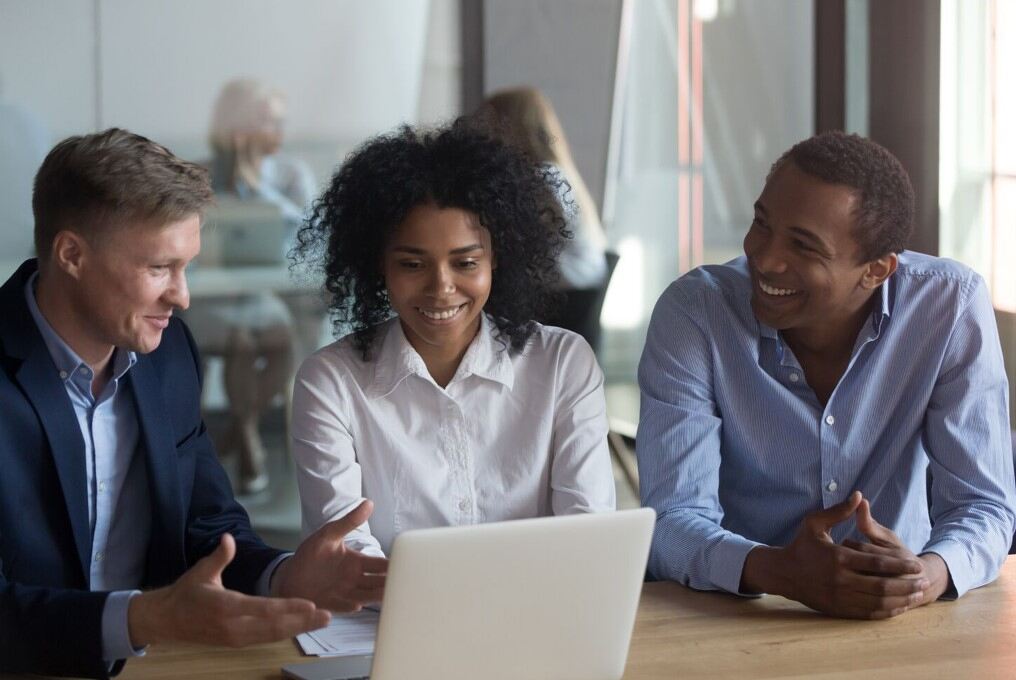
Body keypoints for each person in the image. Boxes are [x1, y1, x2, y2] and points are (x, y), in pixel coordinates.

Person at [0, 128, 386, 678]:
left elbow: (208, 525)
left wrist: (282, 577)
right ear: (71, 255)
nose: (182, 296)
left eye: (186, 267)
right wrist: (142, 618)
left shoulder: (168, 353)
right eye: (159, 268)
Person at [636, 131, 1015, 619]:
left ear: (876, 271)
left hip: (901, 623)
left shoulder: (949, 307)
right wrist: (779, 572)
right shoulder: (696, 313)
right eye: (762, 224)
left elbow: (984, 507)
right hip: (737, 619)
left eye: (803, 246)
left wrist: (925, 576)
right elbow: (670, 522)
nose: (765, 257)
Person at [289, 119, 616, 557]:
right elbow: (343, 547)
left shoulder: (562, 364)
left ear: (496, 258)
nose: (441, 287)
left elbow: (588, 532)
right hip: (386, 621)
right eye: (412, 264)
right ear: (378, 266)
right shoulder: (330, 382)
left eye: (465, 263)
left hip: (536, 614)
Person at [184, 79, 318, 493]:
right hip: (210, 297)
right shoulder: (198, 173)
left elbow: (311, 232)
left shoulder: (292, 174)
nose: (277, 130)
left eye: (280, 121)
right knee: (241, 342)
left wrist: (255, 188)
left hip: (259, 294)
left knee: (282, 340)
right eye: (266, 121)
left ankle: (238, 431)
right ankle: (248, 443)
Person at [479, 87, 609, 291]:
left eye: (488, 123)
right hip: (579, 283)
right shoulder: (555, 171)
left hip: (571, 290)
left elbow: (530, 245)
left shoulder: (545, 177)